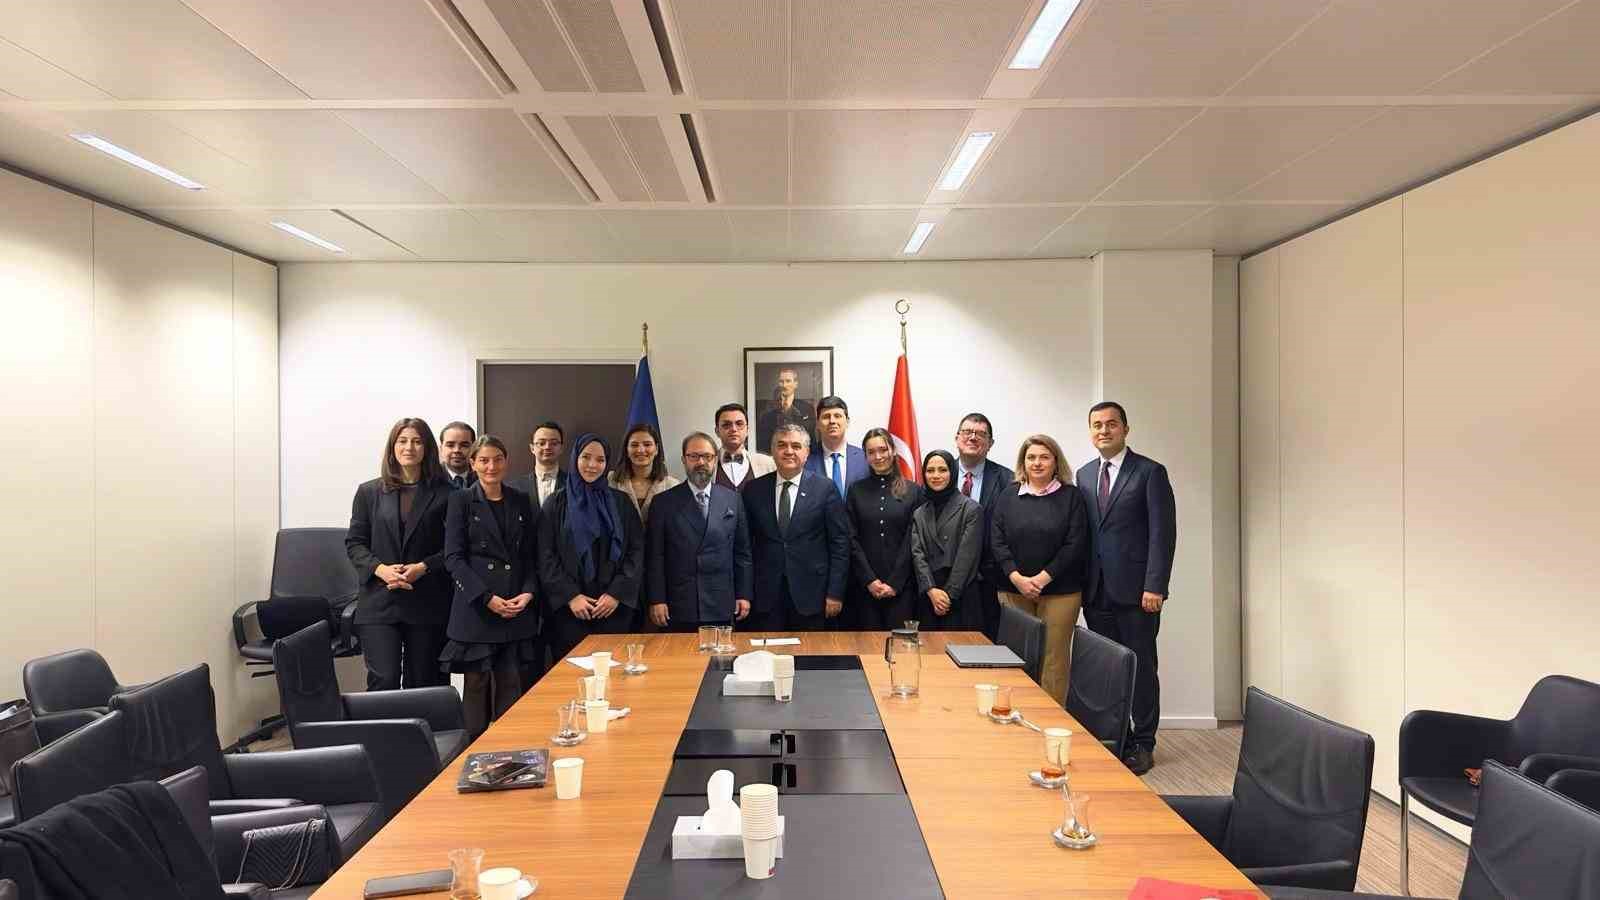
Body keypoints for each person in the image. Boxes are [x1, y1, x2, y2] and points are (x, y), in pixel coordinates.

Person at [1075, 401, 1175, 776]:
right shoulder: (1084, 475)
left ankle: (1145, 743)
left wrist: (1155, 586)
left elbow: (1163, 534)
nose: (1104, 430)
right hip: (1096, 591)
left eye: (1111, 424)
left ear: (1125, 429)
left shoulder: (1149, 472)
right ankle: (1120, 738)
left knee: (1141, 668)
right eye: (1097, 425)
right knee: (1108, 669)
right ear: (1090, 431)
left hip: (1137, 593)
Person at [441, 435, 541, 737]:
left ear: (506, 462)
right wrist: (486, 598)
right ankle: (471, 751)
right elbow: (453, 558)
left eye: (497, 459)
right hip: (477, 608)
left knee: (511, 683)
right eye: (484, 460)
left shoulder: (520, 499)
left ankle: (507, 749)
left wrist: (528, 592)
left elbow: (529, 555)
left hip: (514, 605)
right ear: (473, 463)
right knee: (476, 684)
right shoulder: (460, 500)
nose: (491, 466)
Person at [345, 417, 453, 691]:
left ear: (427, 448)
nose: (409, 447)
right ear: (392, 447)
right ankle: (382, 724)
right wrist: (381, 569)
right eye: (402, 441)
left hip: (427, 599)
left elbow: (455, 547)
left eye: (417, 441)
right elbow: (355, 543)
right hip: (380, 599)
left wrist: (423, 567)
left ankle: (424, 723)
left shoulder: (447, 493)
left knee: (424, 682)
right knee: (385, 678)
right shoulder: (369, 492)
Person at [990, 434, 1089, 708]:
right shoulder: (1008, 495)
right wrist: (1017, 578)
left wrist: (1043, 578)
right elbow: (996, 540)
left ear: (1056, 461)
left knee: (1053, 660)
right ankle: (1015, 715)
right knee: (1015, 657)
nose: (1037, 463)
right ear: (1023, 462)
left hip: (1060, 593)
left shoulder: (1071, 496)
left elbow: (1075, 543)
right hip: (1013, 590)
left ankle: (1050, 719)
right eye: (1031, 457)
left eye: (1044, 457)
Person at [538, 433, 645, 660]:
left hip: (614, 609)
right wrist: (570, 596)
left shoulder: (621, 502)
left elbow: (636, 552)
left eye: (600, 459)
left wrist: (616, 594)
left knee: (616, 672)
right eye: (586, 457)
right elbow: (545, 555)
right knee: (570, 673)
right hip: (570, 611)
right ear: (575, 458)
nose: (592, 465)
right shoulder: (556, 504)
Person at [742, 423, 849, 630]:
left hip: (813, 594)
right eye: (782, 445)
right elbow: (745, 546)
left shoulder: (825, 488)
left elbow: (840, 545)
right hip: (765, 595)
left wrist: (835, 593)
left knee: (810, 650)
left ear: (807, 453)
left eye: (796, 446)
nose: (789, 451)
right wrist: (745, 592)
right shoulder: (754, 489)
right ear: (772, 451)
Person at [645, 432, 753, 631]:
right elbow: (656, 556)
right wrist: (657, 599)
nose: (701, 462)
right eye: (694, 456)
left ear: (715, 460)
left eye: (707, 456)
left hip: (722, 601)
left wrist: (743, 594)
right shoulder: (663, 502)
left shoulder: (733, 499)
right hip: (679, 603)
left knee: (721, 652)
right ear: (684, 460)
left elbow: (742, 553)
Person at [845, 427, 924, 630]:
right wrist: (869, 580)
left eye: (882, 449)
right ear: (865, 456)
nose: (878, 456)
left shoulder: (913, 491)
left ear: (893, 450)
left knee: (901, 645)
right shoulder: (856, 490)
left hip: (903, 587)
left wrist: (895, 583)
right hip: (865, 587)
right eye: (871, 452)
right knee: (867, 645)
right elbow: (851, 538)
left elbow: (913, 539)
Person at [954, 412, 1014, 640]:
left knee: (986, 646)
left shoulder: (1008, 480)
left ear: (991, 443)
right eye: (967, 432)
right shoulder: (938, 473)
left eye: (980, 434)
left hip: (988, 582)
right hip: (944, 581)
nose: (973, 437)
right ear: (957, 438)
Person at [909, 450, 984, 629]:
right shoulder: (919, 512)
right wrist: (930, 590)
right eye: (930, 470)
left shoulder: (971, 509)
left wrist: (948, 596)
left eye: (942, 470)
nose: (936, 475)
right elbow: (917, 555)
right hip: (930, 595)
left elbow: (967, 558)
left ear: (953, 472)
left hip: (960, 595)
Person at [608, 422, 680, 527]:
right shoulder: (610, 481)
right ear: (626, 450)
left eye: (647, 444)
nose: (640, 450)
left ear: (656, 449)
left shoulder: (672, 486)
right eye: (634, 445)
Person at [804, 396, 868, 498]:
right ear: (817, 423)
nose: (832, 421)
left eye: (837, 416)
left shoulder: (864, 458)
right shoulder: (805, 458)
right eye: (826, 416)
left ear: (847, 421)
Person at [712, 402, 776, 492]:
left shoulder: (768, 464)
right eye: (726, 425)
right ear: (717, 431)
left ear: (747, 430)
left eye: (739, 424)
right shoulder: (707, 464)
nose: (734, 429)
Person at [755, 367, 816, 453]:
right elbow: (763, 442)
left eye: (788, 381)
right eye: (781, 381)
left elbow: (811, 439)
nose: (784, 385)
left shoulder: (807, 408)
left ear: (795, 384)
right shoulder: (768, 410)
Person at [508, 421, 565, 507]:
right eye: (541, 443)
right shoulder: (515, 487)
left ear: (561, 448)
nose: (547, 447)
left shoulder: (572, 484)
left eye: (554, 443)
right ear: (532, 448)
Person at [439, 421, 477, 490]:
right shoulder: (430, 480)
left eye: (464, 445)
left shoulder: (483, 478)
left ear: (474, 448)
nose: (457, 450)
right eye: (450, 445)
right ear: (441, 449)